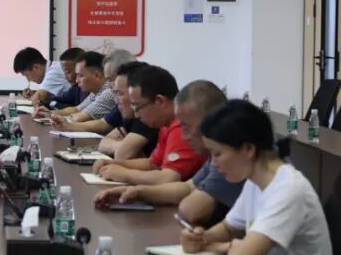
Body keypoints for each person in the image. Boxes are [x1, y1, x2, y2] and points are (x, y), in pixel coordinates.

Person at [181, 99, 333, 255]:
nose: (213, 164)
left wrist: (217, 247)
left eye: (217, 154)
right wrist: (201, 238)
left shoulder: (288, 189)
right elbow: (228, 228)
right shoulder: (255, 181)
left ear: (248, 149)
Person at [94, 80, 240, 222]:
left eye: (187, 128)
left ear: (211, 124)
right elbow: (186, 188)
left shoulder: (230, 159)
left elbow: (191, 210)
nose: (184, 136)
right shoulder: (213, 157)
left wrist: (125, 175)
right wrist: (139, 192)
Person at [92, 64, 205, 186]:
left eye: (138, 107)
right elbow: (153, 164)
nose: (136, 114)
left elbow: (168, 178)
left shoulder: (182, 127)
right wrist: (115, 164)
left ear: (160, 101)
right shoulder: (165, 125)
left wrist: (123, 174)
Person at [48, 51, 115, 125]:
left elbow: (78, 118)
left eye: (80, 75)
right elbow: (76, 109)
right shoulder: (95, 92)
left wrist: (52, 116)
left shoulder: (108, 92)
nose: (77, 80)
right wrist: (49, 113)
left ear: (97, 75)